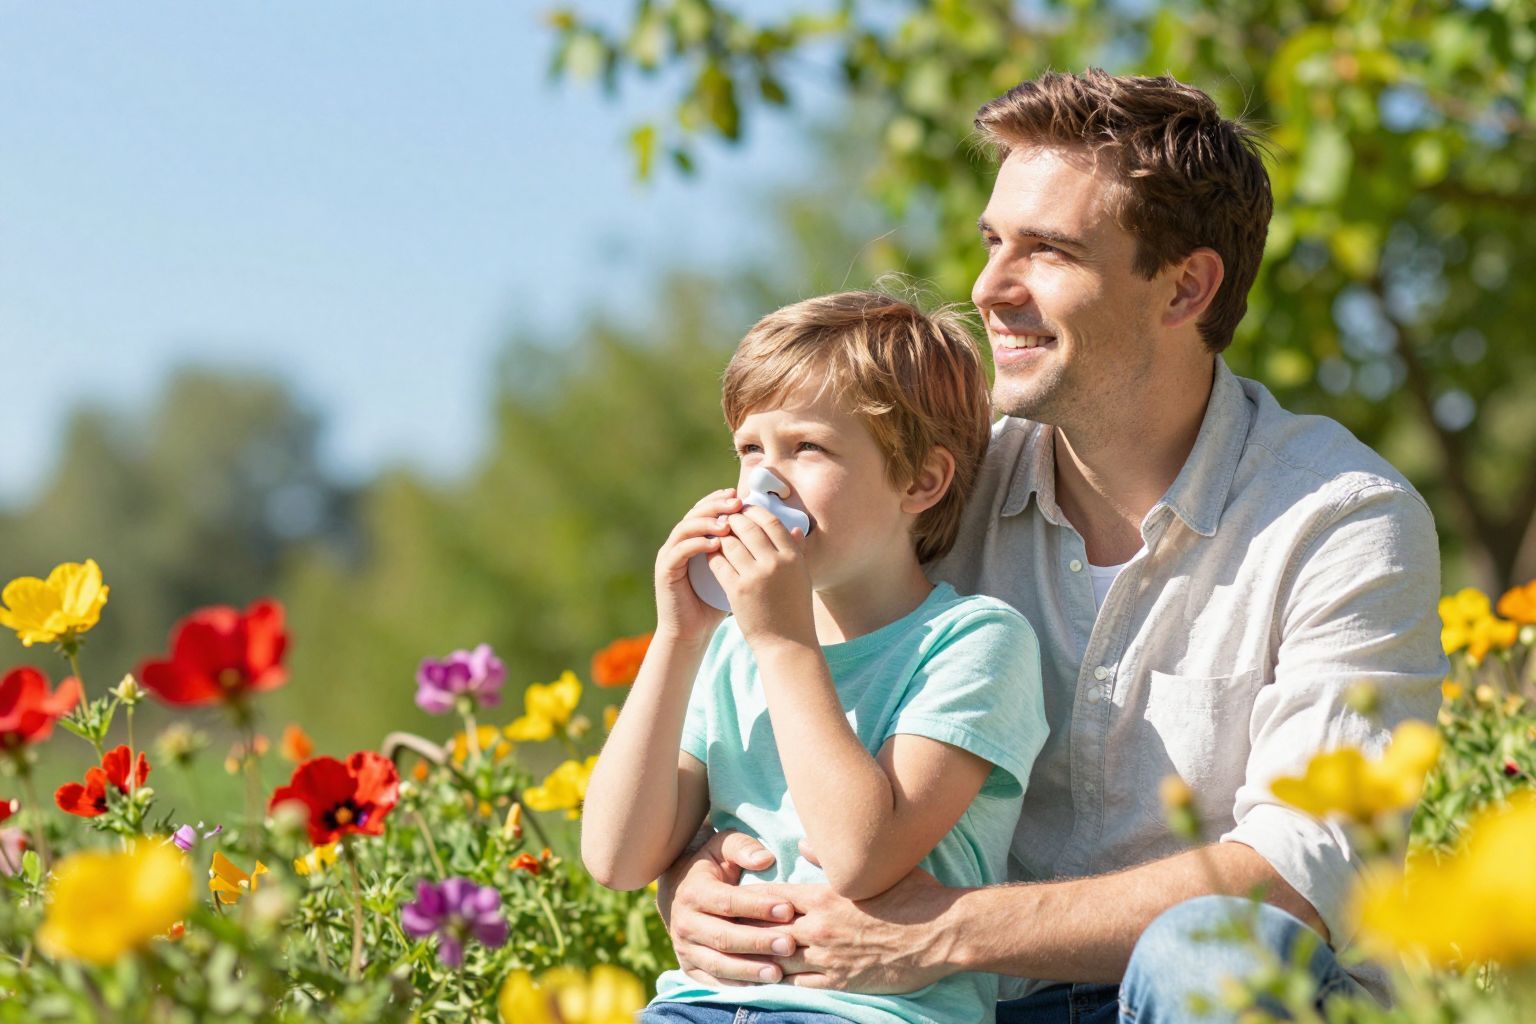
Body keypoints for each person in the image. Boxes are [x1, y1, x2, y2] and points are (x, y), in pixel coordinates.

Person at [654, 70, 1447, 1024]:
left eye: (1050, 252)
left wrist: (948, 931)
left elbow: (1304, 873)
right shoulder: (932, 480)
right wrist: (702, 879)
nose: (990, 288)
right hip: (966, 1010)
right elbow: (786, 709)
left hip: (1218, 1001)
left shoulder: (1340, 520)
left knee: (1210, 954)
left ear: (1187, 286)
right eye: (994, 242)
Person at [582, 291, 1049, 1023]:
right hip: (697, 1008)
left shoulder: (973, 642)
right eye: (749, 450)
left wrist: (783, 640)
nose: (766, 483)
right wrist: (678, 637)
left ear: (920, 482)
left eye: (807, 448)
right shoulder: (730, 650)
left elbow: (862, 855)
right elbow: (616, 857)